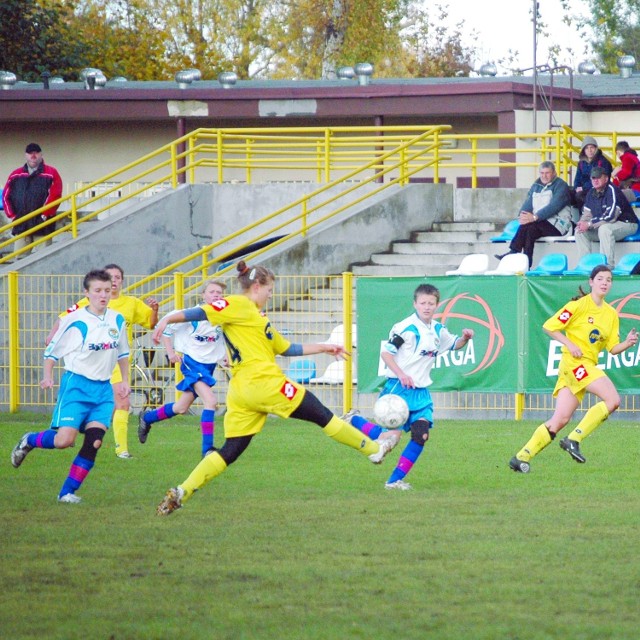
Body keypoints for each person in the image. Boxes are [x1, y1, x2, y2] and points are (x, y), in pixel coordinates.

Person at [154, 260, 396, 516]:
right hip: (264, 383)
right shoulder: (239, 304)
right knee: (322, 415)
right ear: (257, 286)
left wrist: (325, 347)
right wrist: (166, 319)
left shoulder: (257, 318)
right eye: (269, 290)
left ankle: (183, 491)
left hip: (242, 393)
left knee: (230, 450)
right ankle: (373, 450)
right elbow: (201, 312)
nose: (271, 295)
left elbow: (286, 348)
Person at [10, 269, 130, 503]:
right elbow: (51, 352)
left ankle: (67, 492)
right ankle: (29, 440)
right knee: (64, 440)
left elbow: (122, 352)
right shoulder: (75, 321)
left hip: (103, 390)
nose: (103, 295)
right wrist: (48, 375)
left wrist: (124, 380)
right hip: (77, 386)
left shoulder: (117, 319)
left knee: (95, 441)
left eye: (107, 290)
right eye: (97, 291)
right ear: (87, 293)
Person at [342, 283, 474, 490]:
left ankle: (394, 481)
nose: (427, 307)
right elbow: (386, 353)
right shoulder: (405, 328)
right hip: (398, 389)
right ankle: (354, 420)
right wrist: (401, 374)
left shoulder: (438, 329)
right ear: (415, 304)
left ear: (437, 305)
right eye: (423, 303)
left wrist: (465, 338)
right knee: (389, 439)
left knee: (421, 435)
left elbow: (454, 344)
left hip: (421, 393)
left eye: (431, 303)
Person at [509, 264, 638, 473]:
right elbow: (549, 326)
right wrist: (569, 343)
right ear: (591, 282)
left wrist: (628, 342)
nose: (605, 283)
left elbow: (613, 348)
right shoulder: (578, 306)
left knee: (560, 419)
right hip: (575, 363)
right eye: (601, 279)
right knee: (613, 400)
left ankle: (522, 456)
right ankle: (574, 439)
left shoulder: (611, 314)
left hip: (584, 366)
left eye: (609, 280)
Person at [46, 263, 158, 459]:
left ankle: (121, 450)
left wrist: (155, 310)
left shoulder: (130, 304)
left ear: (122, 281)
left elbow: (150, 323)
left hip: (115, 362)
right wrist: (52, 336)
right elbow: (63, 319)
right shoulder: (86, 304)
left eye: (117, 277)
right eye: (110, 277)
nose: (113, 281)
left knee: (121, 405)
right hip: (85, 370)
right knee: (66, 439)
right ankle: (68, 428)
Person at [138, 279, 227, 457]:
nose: (216, 295)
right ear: (203, 295)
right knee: (210, 401)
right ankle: (207, 449)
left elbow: (222, 338)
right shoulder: (192, 314)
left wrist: (224, 356)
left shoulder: (222, 315)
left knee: (181, 408)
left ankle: (146, 418)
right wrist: (171, 353)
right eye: (212, 292)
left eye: (219, 293)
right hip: (192, 363)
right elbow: (167, 331)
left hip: (208, 366)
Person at [495, 161, 572, 268]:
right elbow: (528, 204)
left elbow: (553, 207)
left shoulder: (561, 186)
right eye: (542, 173)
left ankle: (519, 258)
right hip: (539, 222)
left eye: (547, 173)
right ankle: (517, 255)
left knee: (530, 228)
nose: (544, 176)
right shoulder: (536, 186)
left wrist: (535, 217)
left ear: (554, 173)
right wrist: (522, 216)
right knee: (526, 227)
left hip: (558, 225)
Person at [2, 142, 63, 254]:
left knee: (44, 258)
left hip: (43, 226)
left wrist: (45, 214)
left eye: (36, 153)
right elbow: (6, 196)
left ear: (41, 155)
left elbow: (56, 194)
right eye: (30, 153)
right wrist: (13, 216)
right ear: (26, 155)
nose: (33, 156)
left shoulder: (51, 173)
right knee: (19, 260)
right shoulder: (15, 174)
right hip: (21, 225)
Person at [575, 166, 639, 267]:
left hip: (627, 223)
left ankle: (605, 266)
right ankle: (584, 265)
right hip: (606, 225)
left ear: (606, 179)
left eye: (598, 177)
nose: (595, 180)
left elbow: (611, 216)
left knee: (604, 229)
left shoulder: (612, 190)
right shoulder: (591, 192)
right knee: (579, 231)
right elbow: (587, 214)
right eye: (593, 178)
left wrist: (589, 224)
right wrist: (582, 223)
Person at [571, 136, 613, 210]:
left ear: (596, 148)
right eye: (586, 148)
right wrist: (576, 187)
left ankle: (585, 216)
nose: (589, 150)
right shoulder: (581, 163)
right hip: (583, 189)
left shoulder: (603, 162)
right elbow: (577, 178)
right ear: (583, 150)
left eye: (592, 147)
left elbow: (601, 180)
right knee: (568, 193)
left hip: (598, 189)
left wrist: (583, 188)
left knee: (580, 195)